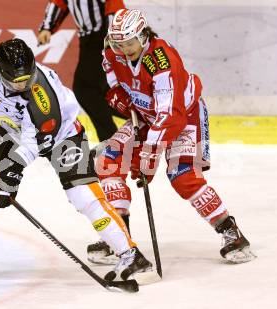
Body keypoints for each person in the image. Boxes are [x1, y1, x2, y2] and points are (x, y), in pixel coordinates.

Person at [0, 38, 154, 282]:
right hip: (12, 128)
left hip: (62, 135)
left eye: (27, 78)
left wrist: (10, 174)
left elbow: (36, 141)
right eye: (16, 81)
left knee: (83, 196)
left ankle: (130, 254)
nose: (23, 84)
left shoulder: (41, 95)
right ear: (1, 72)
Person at [88, 9, 256, 264]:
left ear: (143, 35)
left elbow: (171, 114)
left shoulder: (161, 60)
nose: (124, 49)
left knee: (183, 176)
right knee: (110, 162)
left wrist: (149, 155)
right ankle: (118, 236)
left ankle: (230, 232)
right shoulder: (112, 51)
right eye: (119, 44)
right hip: (147, 117)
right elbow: (112, 78)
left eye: (130, 43)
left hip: (184, 117)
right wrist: (118, 95)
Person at [38, 0, 126, 142]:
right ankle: (143, 118)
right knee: (102, 94)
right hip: (88, 40)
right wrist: (47, 27)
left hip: (102, 38)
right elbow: (59, 2)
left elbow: (114, 5)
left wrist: (113, 36)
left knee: (85, 91)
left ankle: (111, 141)